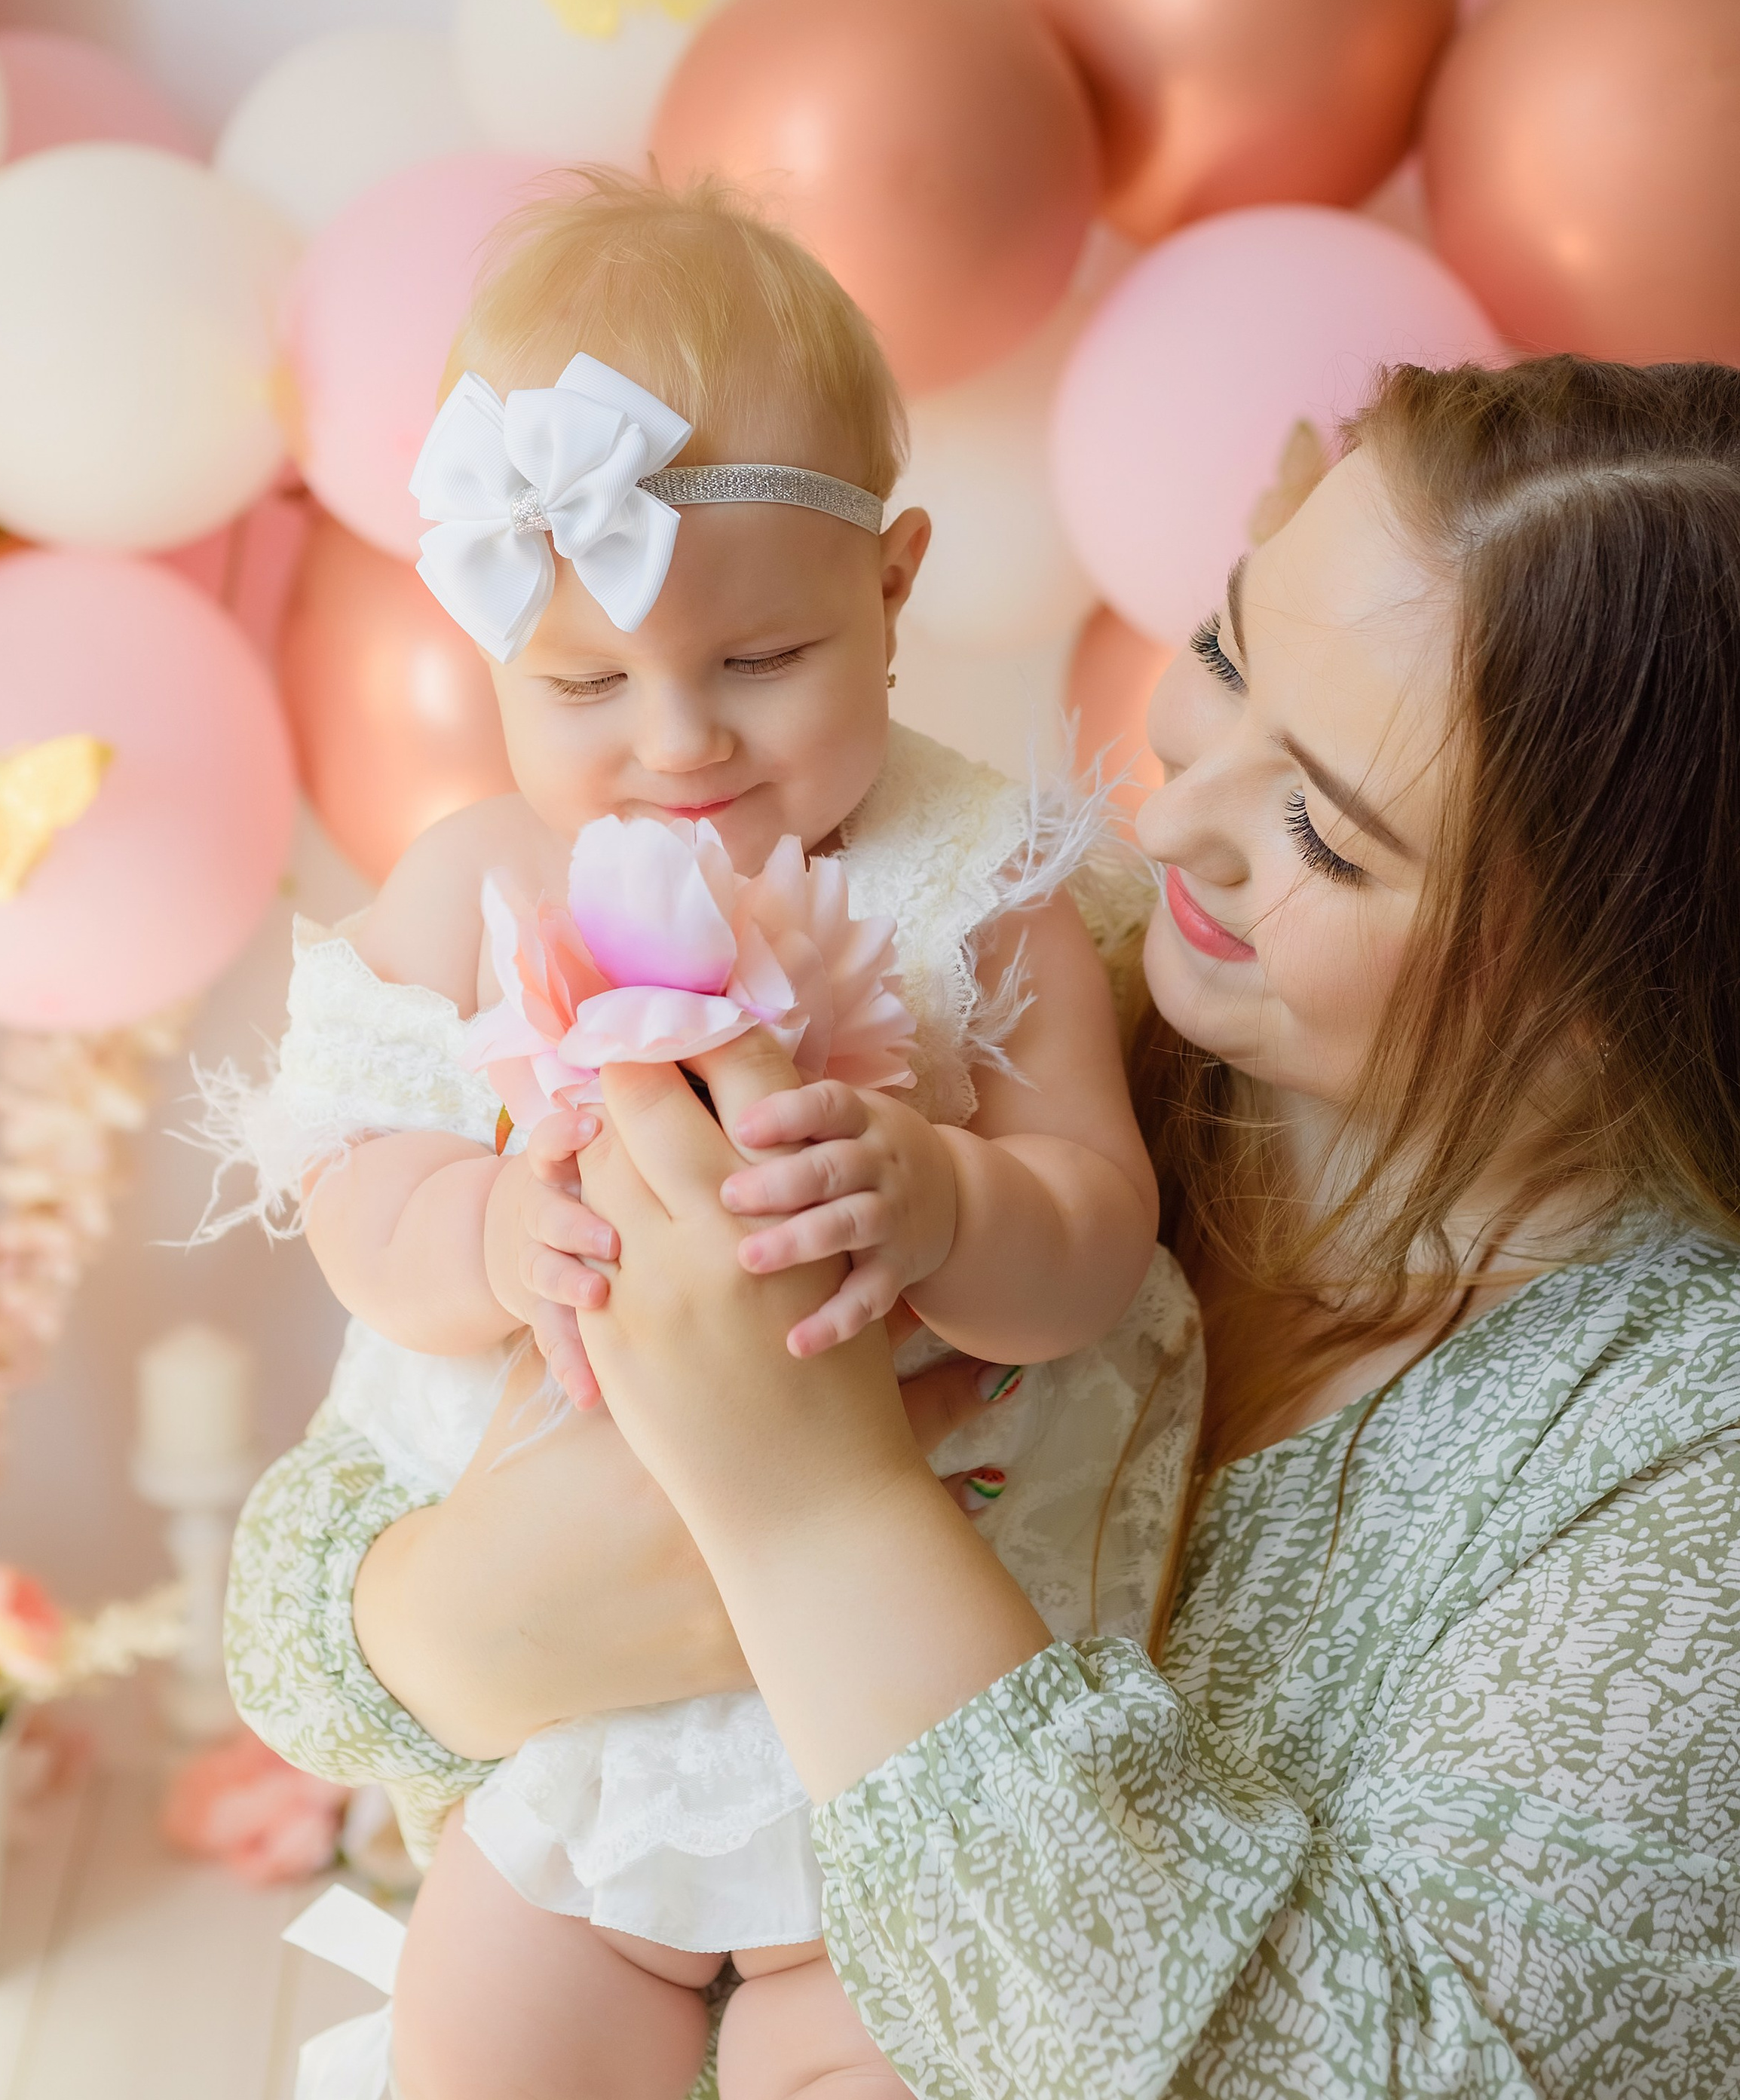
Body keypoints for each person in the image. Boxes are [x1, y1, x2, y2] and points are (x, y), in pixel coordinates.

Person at [334, 352, 1740, 2098]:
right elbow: (306, 1571)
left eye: (1322, 822)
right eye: (1222, 657)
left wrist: (814, 1513)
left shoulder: (1676, 1465)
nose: (1176, 812)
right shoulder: (1028, 954)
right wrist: (444, 1622)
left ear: (1615, 992)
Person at [215, 172, 1197, 2100]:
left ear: (891, 587)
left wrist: (944, 1200)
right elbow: (346, 1171)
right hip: (574, 1732)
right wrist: (481, 1229)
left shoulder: (979, 878)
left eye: (757, 663)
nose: (678, 745)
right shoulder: (475, 880)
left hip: (893, 1745)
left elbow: (1094, 1234)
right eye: (582, 684)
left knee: (905, 2050)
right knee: (487, 2052)